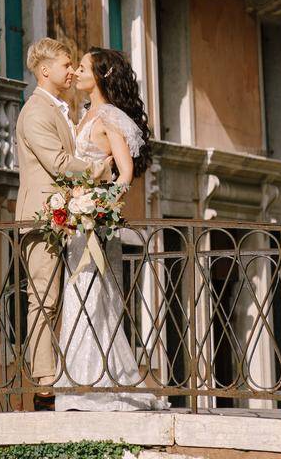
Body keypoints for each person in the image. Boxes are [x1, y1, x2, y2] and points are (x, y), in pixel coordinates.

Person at [53, 46, 164, 412]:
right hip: (77, 223)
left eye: (82, 67)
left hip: (94, 225)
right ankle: (78, 380)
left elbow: (125, 173)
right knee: (79, 295)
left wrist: (99, 207)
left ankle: (96, 382)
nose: (77, 73)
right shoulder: (86, 114)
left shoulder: (110, 117)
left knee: (92, 296)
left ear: (100, 76)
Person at [15, 37, 112, 411]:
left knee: (59, 299)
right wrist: (97, 170)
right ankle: (44, 384)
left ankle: (63, 375)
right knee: (44, 298)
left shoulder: (60, 109)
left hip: (63, 217)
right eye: (66, 65)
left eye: (73, 65)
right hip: (42, 219)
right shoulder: (36, 111)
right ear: (45, 70)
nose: (71, 71)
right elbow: (57, 162)